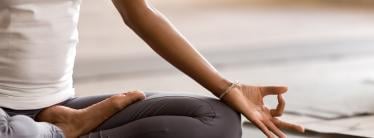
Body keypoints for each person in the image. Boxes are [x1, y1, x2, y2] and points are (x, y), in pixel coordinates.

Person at [0, 0, 304, 138]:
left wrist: (227, 88)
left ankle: (58, 132)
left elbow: (139, 13)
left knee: (220, 120)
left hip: (58, 108)